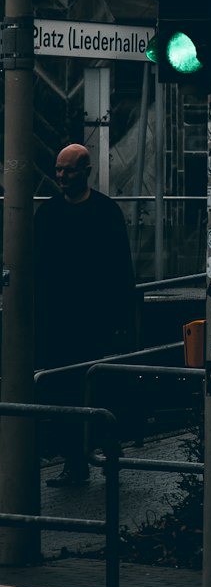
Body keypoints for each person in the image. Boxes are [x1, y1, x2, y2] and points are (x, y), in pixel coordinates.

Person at [34, 144, 136, 486]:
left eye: (69, 170)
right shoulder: (49, 214)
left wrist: (121, 320)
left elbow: (121, 269)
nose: (62, 176)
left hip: (92, 320)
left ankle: (106, 454)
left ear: (86, 171)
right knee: (66, 393)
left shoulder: (103, 213)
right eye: (59, 169)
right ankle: (76, 461)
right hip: (60, 321)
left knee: (98, 390)